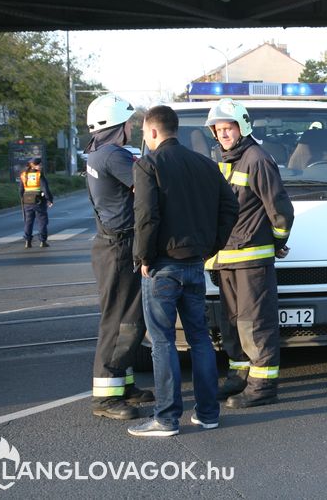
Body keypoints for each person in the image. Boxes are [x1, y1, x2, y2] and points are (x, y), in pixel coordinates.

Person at [129, 105, 238, 436]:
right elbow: (230, 207)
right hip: (195, 264)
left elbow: (146, 217)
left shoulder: (148, 165)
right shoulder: (206, 164)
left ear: (152, 132)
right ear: (175, 129)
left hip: (161, 266)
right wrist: (211, 247)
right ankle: (207, 413)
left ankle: (165, 418)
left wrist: (143, 257)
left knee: (162, 341)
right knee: (200, 338)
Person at [205, 98, 294, 408]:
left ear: (241, 128)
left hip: (252, 258)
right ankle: (239, 375)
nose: (223, 134)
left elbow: (280, 208)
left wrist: (277, 241)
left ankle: (263, 386)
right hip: (226, 258)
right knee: (232, 321)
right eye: (219, 129)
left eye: (228, 128)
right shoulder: (221, 159)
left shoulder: (257, 158)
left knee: (256, 322)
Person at [85, 93, 153, 420]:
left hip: (112, 245)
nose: (131, 128)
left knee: (129, 318)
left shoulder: (98, 151)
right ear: (118, 126)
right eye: (128, 123)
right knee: (118, 321)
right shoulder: (113, 155)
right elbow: (147, 187)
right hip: (120, 246)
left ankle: (122, 384)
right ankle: (105, 398)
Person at [19, 157, 53, 248]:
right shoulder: (39, 175)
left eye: (40, 164)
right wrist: (49, 199)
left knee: (28, 222)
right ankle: (42, 241)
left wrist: (23, 199)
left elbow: (21, 190)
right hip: (39, 201)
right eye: (38, 164)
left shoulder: (23, 175)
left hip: (27, 201)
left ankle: (27, 241)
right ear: (32, 165)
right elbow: (45, 188)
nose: (40, 166)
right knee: (42, 221)